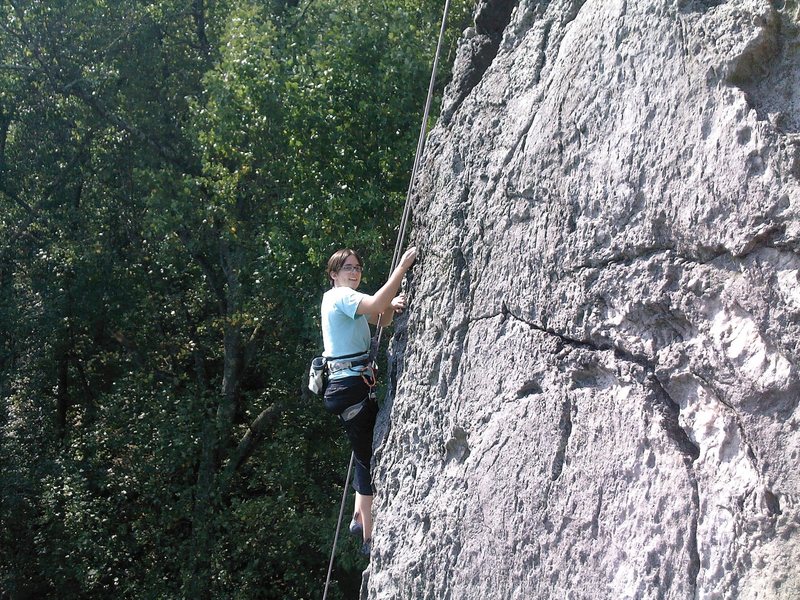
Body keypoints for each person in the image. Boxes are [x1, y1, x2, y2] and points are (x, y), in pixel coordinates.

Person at [321, 246, 417, 556]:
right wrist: (401, 268)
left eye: (357, 267)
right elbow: (377, 303)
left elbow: (381, 316)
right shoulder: (341, 296)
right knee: (369, 454)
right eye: (346, 267)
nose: (354, 271)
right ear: (334, 275)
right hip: (349, 388)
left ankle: (358, 518)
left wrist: (393, 304)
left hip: (344, 389)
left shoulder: (341, 300)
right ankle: (367, 532)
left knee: (364, 451)